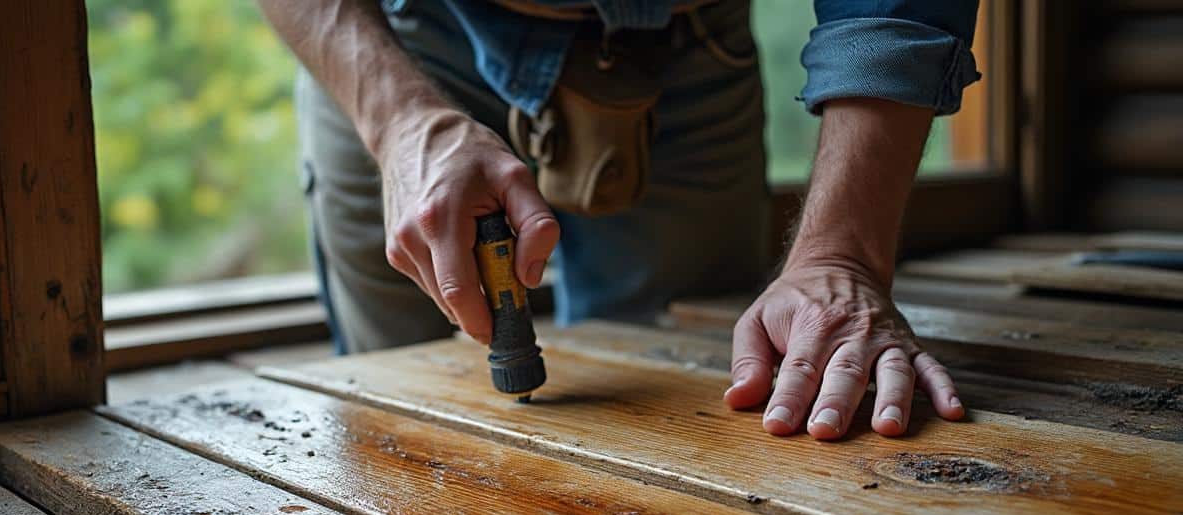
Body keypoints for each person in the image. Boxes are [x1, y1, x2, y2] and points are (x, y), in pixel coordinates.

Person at [259, 0, 977, 440]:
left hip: (682, 41)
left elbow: (892, 6)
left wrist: (840, 257)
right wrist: (398, 121)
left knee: (698, 413)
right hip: (387, 43)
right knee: (394, 430)